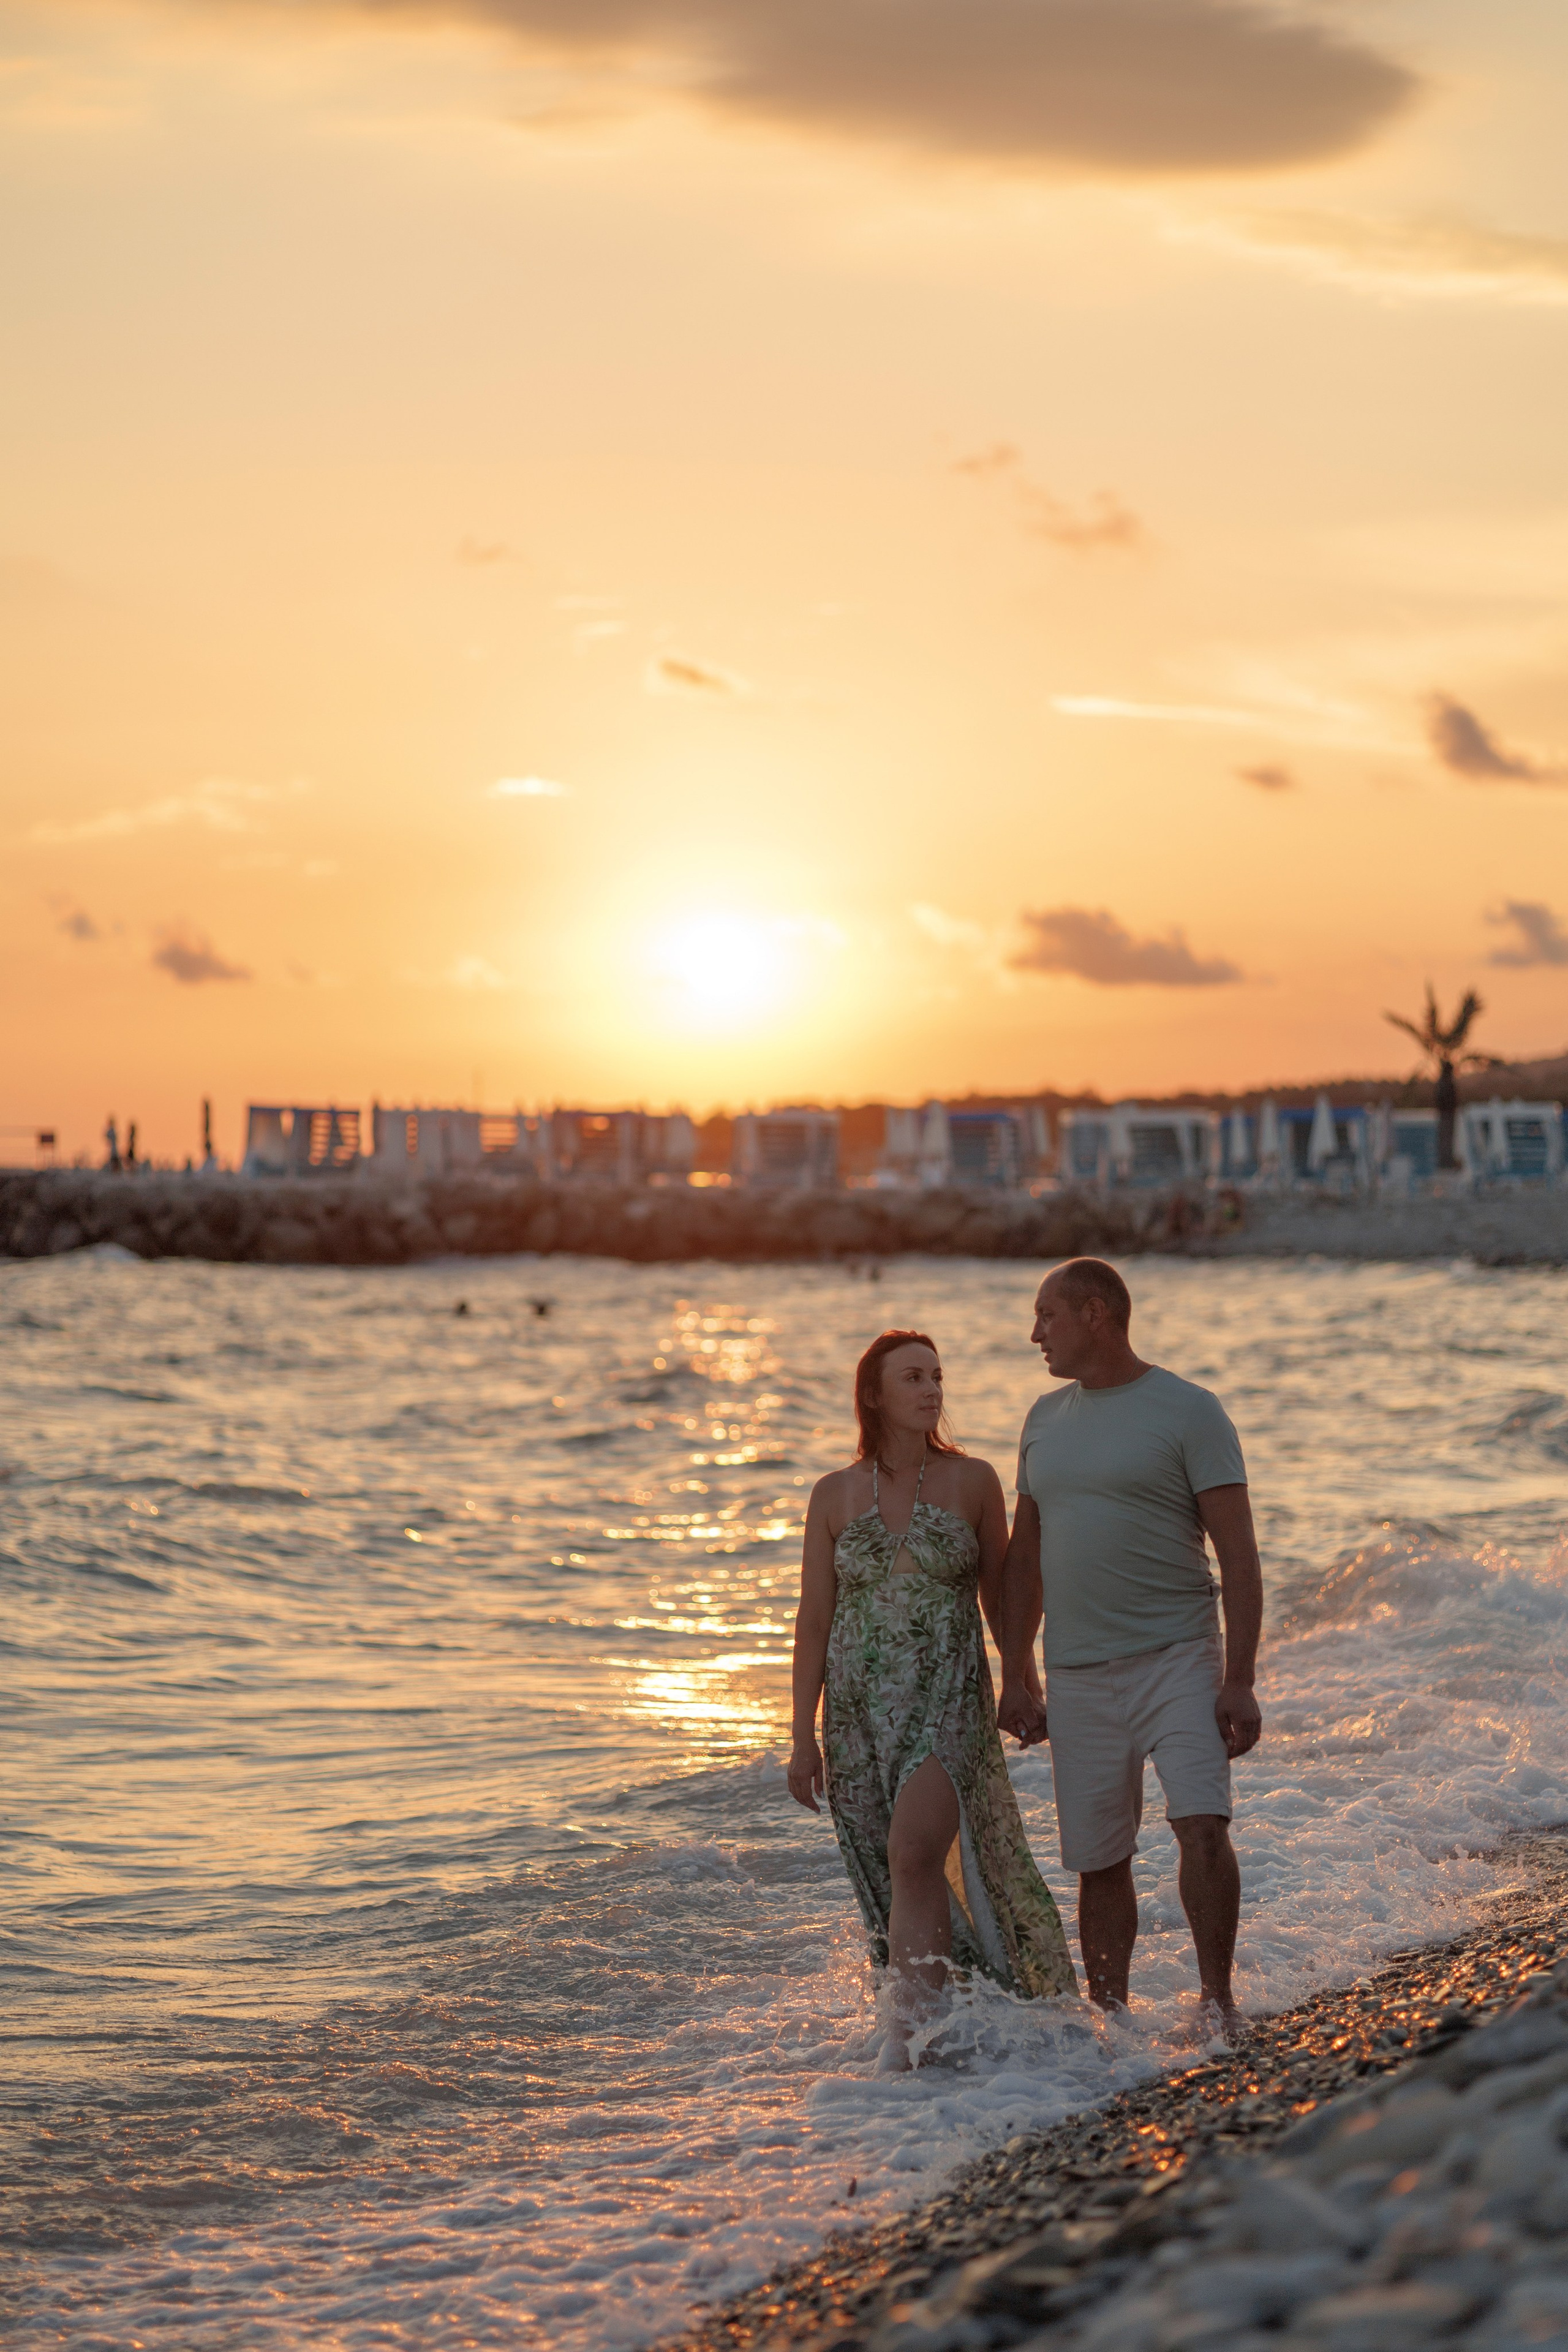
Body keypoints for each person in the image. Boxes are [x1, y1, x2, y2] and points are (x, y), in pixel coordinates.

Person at [789, 1329, 1077, 2070]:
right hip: (855, 1717)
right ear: (873, 1395)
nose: (931, 1390)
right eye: (913, 1378)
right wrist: (800, 1735)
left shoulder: (974, 1482)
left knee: (913, 1852)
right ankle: (945, 2024)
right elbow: (814, 1620)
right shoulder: (831, 1494)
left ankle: (904, 2046)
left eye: (938, 1378)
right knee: (888, 1872)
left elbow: (1005, 1598)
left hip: (946, 1701)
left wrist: (1020, 1679)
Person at [997, 1261, 1262, 2031]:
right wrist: (1016, 1673)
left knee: (1202, 1823)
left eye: (1046, 1315)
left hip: (1179, 1654)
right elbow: (1024, 1557)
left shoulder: (1189, 1411)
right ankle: (1109, 2024)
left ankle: (1217, 2005)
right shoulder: (1042, 1418)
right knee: (1098, 1858)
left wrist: (1237, 1678)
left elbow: (1239, 1557)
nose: (1034, 1332)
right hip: (1077, 1672)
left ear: (1095, 1315)